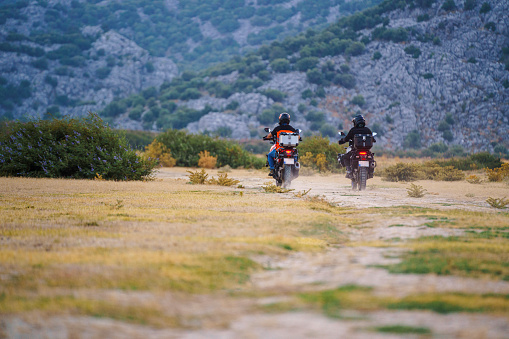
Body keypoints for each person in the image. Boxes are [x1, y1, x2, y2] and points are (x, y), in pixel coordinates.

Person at [264, 112, 299, 177]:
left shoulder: (277, 128)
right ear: (288, 120)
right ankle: (296, 165)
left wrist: (266, 137)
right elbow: (298, 136)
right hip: (290, 148)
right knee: (295, 154)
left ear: (280, 120)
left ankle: (272, 169)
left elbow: (269, 136)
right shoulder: (291, 128)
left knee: (269, 155)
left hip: (280, 148)